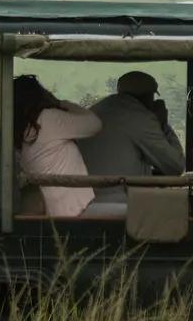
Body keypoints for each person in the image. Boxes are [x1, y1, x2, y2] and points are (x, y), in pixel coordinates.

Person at [78, 70, 185, 214]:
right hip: (121, 206)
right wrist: (163, 124)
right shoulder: (143, 118)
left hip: (83, 202)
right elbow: (175, 166)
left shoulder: (96, 110)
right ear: (149, 96)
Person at [14, 75, 103, 216]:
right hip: (73, 209)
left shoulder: (21, 129)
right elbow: (94, 124)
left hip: (54, 207)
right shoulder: (48, 119)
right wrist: (63, 104)